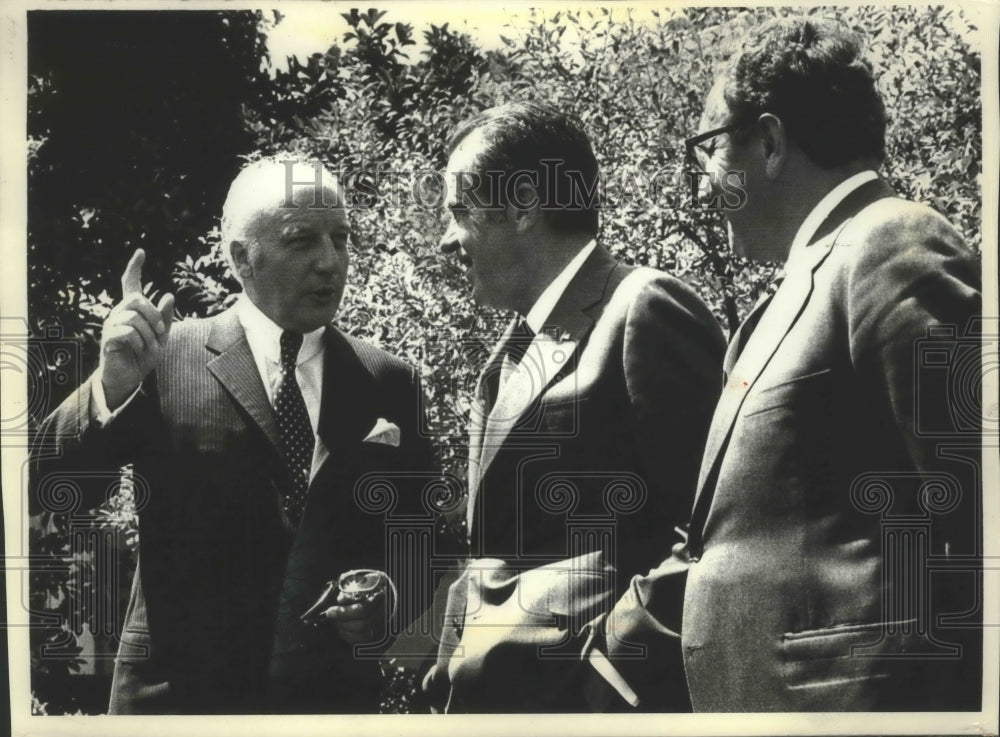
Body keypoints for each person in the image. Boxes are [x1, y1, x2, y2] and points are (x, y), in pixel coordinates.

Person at [598, 16, 983, 711]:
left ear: (771, 142)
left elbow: (980, 507)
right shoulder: (790, 296)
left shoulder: (893, 242)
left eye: (709, 151)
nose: (699, 190)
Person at [30, 159, 435, 713]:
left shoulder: (387, 381)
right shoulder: (165, 358)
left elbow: (423, 537)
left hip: (327, 707)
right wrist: (110, 385)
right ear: (241, 257)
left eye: (340, 239)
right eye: (302, 241)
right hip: (177, 705)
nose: (330, 262)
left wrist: (386, 599)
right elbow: (54, 483)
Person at [424, 101, 726, 712]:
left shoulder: (643, 308)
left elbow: (713, 531)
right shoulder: (507, 357)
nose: (446, 239)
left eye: (459, 211)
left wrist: (606, 674)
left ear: (525, 206)